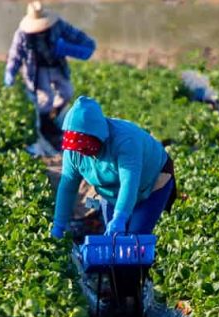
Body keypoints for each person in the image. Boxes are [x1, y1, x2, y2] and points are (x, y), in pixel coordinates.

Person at [51, 96, 176, 240]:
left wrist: (120, 218)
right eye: (76, 147)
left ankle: (139, 260)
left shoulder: (125, 140)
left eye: (84, 145)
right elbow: (68, 187)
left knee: (133, 239)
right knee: (114, 242)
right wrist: (59, 225)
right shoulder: (73, 152)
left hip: (152, 182)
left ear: (97, 136)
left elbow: (129, 183)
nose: (80, 151)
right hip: (111, 192)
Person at [4, 1, 96, 150]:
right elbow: (15, 54)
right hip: (37, 70)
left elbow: (77, 36)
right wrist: (10, 73)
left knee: (67, 92)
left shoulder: (57, 25)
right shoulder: (22, 34)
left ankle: (54, 116)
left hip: (56, 65)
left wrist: (81, 45)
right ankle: (46, 126)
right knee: (45, 99)